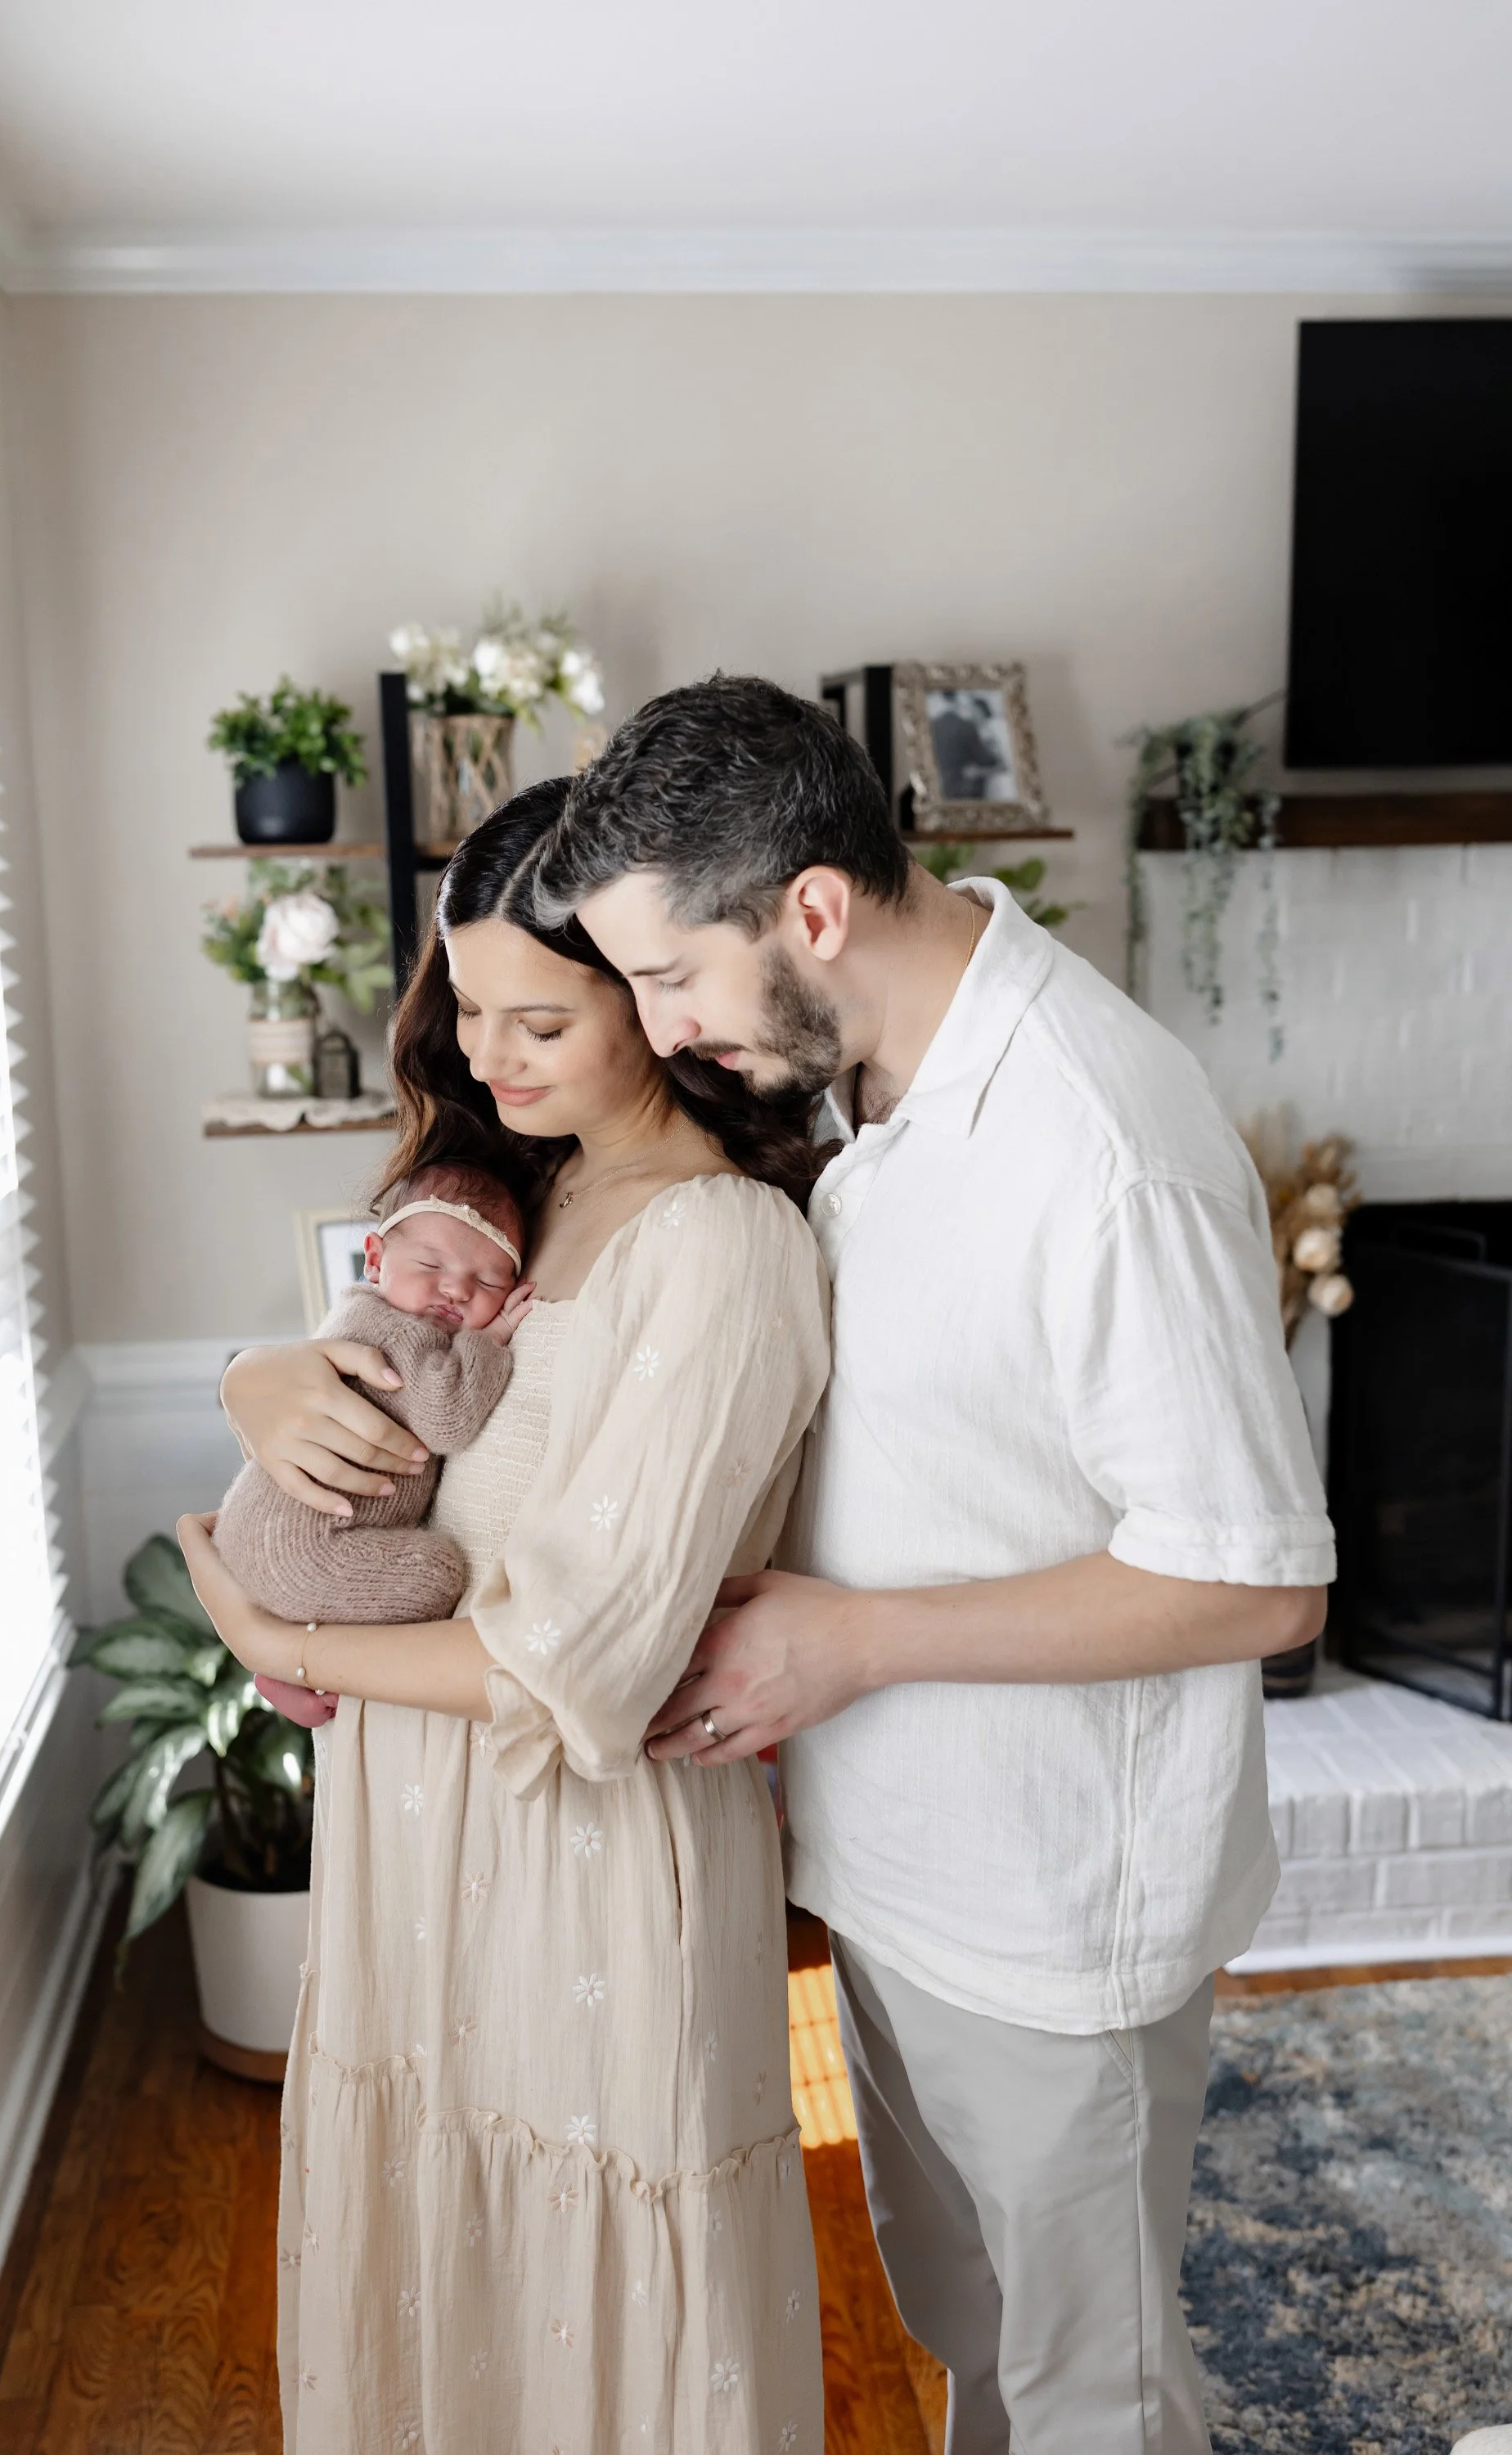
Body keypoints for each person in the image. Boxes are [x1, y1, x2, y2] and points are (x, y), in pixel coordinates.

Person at [530, 674, 1334, 2455]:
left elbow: (1258, 1585)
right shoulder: (865, 1080)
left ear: (811, 910)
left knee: (1090, 2402)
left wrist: (851, 1643)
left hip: (1057, 1914)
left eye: (669, 976)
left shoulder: (1101, 1146)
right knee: (967, 2334)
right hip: (896, 1877)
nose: (656, 1031)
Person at [178, 779, 833, 2455]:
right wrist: (258, 1380)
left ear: (654, 998)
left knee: (592, 2323)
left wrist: (277, 1646)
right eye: (463, 1008)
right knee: (437, 2291)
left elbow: (582, 1659)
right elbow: (375, 1405)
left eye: (537, 1016)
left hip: (586, 1871)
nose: (484, 1054)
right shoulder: (509, 1197)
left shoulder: (727, 1254)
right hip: (417, 1854)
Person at [216, 1160, 534, 1628]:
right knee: (441, 1574)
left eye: (487, 1281)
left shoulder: (356, 1312)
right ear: (375, 1259)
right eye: (431, 1264)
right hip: (308, 1546)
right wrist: (488, 1341)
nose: (456, 1289)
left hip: (262, 1529)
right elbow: (446, 1419)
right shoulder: (395, 1332)